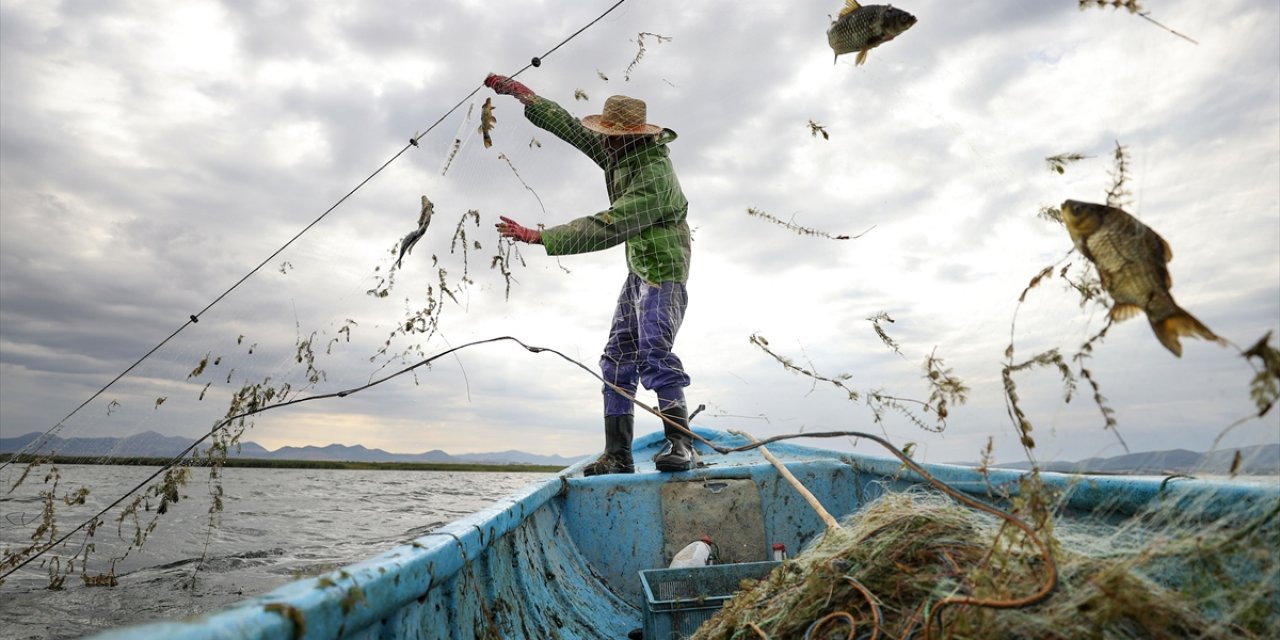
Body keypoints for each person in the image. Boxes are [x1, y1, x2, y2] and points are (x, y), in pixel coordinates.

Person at [484, 73, 695, 475]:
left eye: (612, 137)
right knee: (617, 358)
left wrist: (539, 236)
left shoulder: (654, 176)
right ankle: (618, 455)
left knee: (653, 349)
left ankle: (680, 443)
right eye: (606, 136)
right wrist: (524, 96)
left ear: (634, 137)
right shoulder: (619, 153)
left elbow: (609, 225)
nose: (606, 143)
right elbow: (568, 128)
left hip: (664, 269)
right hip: (639, 269)